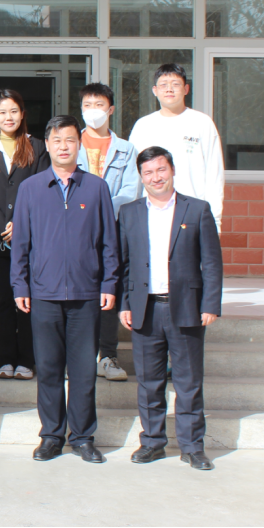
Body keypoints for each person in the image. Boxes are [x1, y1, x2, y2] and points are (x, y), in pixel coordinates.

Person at [10, 115, 119, 464]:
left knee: (84, 370)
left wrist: (109, 282)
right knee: (49, 368)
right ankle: (52, 435)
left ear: (79, 145)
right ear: (47, 144)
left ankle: (83, 437)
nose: (63, 146)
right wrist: (20, 284)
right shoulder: (31, 188)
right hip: (44, 293)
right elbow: (20, 243)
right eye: (56, 140)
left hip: (86, 294)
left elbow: (110, 242)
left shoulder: (96, 188)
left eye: (70, 140)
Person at [118, 146, 223, 471]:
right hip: (145, 309)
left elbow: (211, 262)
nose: (156, 177)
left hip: (187, 308)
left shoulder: (197, 209)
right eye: (148, 172)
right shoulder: (130, 212)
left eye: (161, 169)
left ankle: (192, 447)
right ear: (141, 177)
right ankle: (152, 442)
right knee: (149, 382)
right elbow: (123, 264)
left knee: (188, 382)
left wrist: (210, 303)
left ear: (172, 170)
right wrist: (124, 303)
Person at [0, 89, 49, 381]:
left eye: (14, 111)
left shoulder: (37, 147)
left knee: (26, 298)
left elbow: (41, 190)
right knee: (4, 299)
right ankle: (5, 359)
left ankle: (26, 360)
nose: (9, 117)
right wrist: (4, 228)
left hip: (30, 237)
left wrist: (20, 223)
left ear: (22, 114)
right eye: (3, 112)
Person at [76, 83, 140, 383]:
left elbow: (130, 192)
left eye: (99, 105)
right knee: (79, 292)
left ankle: (108, 356)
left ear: (111, 109)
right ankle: (80, 357)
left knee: (108, 291)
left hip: (112, 230)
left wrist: (98, 210)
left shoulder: (127, 149)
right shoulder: (70, 143)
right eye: (87, 105)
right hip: (75, 231)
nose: (93, 111)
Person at [128, 63, 225, 231]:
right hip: (151, 213)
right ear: (154, 90)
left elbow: (214, 175)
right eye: (163, 85)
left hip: (192, 214)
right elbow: (133, 174)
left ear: (186, 89)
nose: (169, 89)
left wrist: (214, 221)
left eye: (175, 84)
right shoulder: (143, 126)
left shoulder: (202, 123)